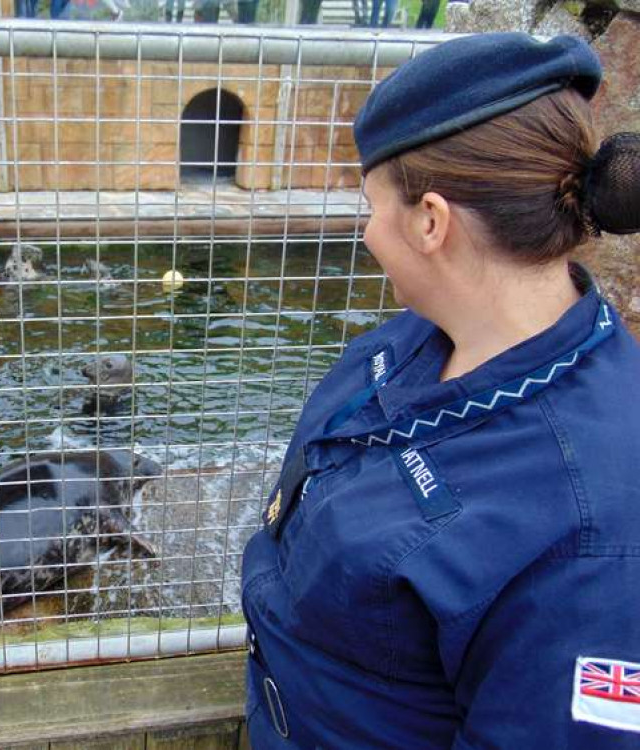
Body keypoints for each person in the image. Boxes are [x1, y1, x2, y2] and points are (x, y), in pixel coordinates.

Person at [241, 33, 640, 748]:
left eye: (370, 204)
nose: (365, 232)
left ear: (430, 221)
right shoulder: (413, 339)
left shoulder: (594, 533)